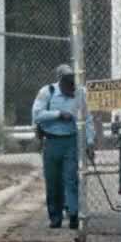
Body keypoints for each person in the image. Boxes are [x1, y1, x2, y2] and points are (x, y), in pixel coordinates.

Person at [32, 63, 95, 229]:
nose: (72, 90)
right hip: (51, 141)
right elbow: (37, 115)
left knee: (71, 179)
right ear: (61, 82)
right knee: (53, 181)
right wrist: (59, 114)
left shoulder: (81, 93)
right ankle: (55, 217)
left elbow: (88, 119)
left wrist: (90, 142)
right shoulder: (47, 92)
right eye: (68, 85)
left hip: (71, 141)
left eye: (74, 85)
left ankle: (73, 214)